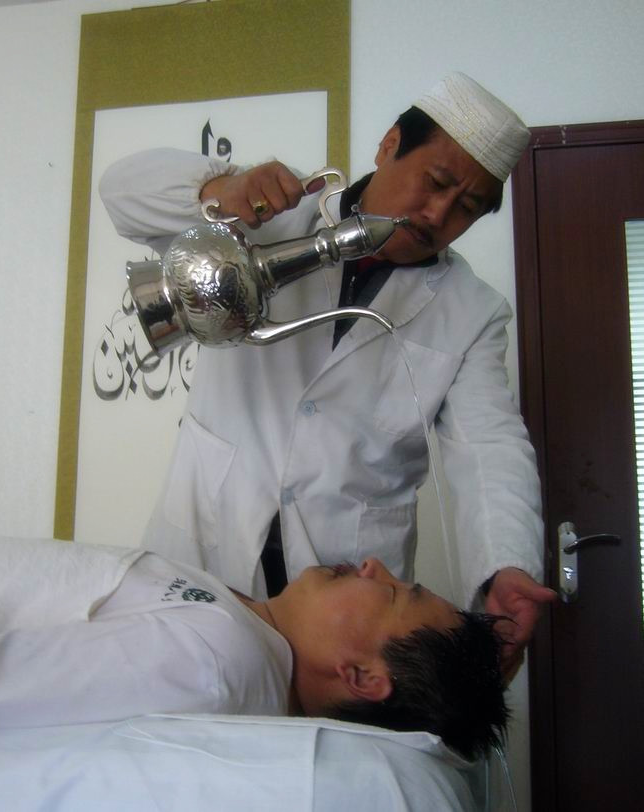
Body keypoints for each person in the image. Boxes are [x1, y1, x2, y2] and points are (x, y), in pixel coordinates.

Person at [98, 72, 556, 679]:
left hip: (348, 599)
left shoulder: (471, 311)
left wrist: (507, 564)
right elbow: (121, 192)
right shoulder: (270, 217)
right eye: (437, 182)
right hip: (206, 540)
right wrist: (220, 189)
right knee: (178, 697)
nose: (437, 214)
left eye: (467, 208)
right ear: (389, 145)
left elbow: (489, 446)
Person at [0, 536, 505, 760]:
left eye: (396, 593)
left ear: (361, 676)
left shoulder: (218, 660)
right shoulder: (247, 640)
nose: (375, 566)